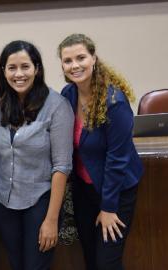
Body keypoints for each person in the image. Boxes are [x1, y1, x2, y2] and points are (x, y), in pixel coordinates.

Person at [58, 33, 143, 270]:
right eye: (67, 61)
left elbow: (118, 159)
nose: (74, 65)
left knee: (107, 262)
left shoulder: (114, 101)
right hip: (84, 191)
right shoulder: (68, 94)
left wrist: (108, 207)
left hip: (116, 191)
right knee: (91, 258)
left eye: (81, 57)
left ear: (93, 58)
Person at [0, 40, 74, 270]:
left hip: (39, 203)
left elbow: (62, 166)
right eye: (12, 68)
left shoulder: (57, 105)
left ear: (37, 69)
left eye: (25, 66)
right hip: (3, 202)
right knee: (15, 264)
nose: (19, 74)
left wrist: (51, 219)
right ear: (3, 71)